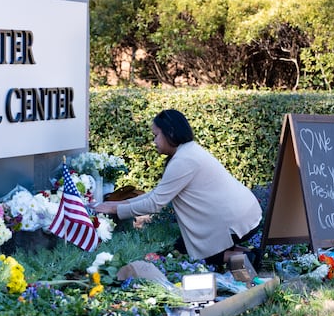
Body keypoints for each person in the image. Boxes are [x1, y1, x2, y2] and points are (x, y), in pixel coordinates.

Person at [92, 109, 262, 269]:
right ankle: (248, 254)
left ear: (170, 133)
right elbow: (157, 195)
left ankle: (247, 259)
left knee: (193, 252)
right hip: (244, 215)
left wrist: (115, 208)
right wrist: (121, 203)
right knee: (185, 244)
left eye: (156, 135)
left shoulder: (184, 160)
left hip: (236, 222)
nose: (154, 142)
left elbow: (154, 204)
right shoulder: (187, 152)